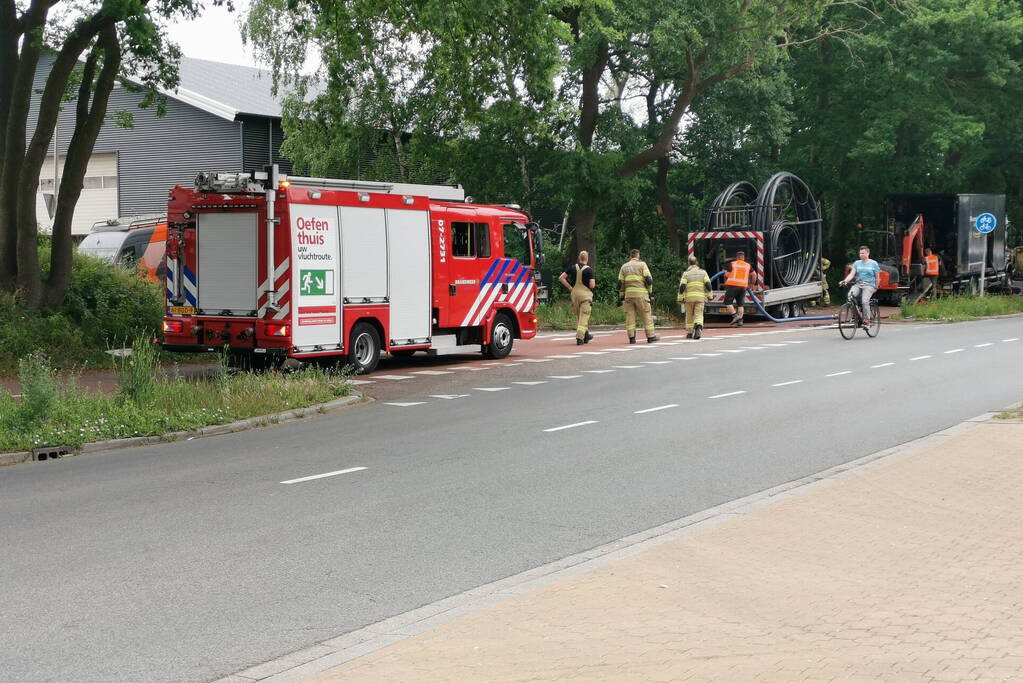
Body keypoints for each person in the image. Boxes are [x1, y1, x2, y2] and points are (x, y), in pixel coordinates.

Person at [617, 249, 659, 344]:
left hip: (628, 296)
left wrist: (621, 296)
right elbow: (649, 280)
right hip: (641, 295)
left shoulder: (624, 267)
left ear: (630, 256)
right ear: (638, 256)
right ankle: (651, 336)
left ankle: (632, 338)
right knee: (646, 315)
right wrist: (649, 292)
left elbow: (620, 284)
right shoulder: (642, 265)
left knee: (630, 317)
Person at [559, 251, 595, 345]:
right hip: (585, 295)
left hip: (574, 294)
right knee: (584, 316)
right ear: (587, 258)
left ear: (579, 258)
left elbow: (561, 278)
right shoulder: (589, 270)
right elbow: (592, 285)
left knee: (579, 316)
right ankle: (580, 338)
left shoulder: (572, 267)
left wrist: (570, 288)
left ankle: (586, 335)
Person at [840, 245, 881, 326]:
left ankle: (867, 320)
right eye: (860, 253)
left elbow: (877, 276)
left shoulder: (873, 263)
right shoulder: (857, 263)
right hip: (858, 284)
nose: (861, 255)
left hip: (869, 285)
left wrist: (876, 286)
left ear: (868, 253)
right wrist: (845, 281)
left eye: (863, 253)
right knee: (850, 297)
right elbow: (852, 274)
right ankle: (856, 316)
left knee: (864, 301)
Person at [678, 255, 711, 339]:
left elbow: (682, 287)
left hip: (689, 299)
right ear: (697, 262)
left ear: (689, 263)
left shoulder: (686, 273)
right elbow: (708, 285)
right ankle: (698, 326)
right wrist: (710, 296)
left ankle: (690, 332)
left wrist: (680, 298)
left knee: (689, 315)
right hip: (700, 298)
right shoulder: (703, 272)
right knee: (699, 314)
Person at [722, 250, 751, 326]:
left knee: (727, 302)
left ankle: (735, 316)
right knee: (740, 304)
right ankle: (740, 321)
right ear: (743, 257)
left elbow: (726, 275)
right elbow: (754, 275)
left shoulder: (732, 264)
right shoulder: (748, 265)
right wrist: (751, 284)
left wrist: (726, 276)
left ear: (737, 257)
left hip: (733, 286)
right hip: (743, 287)